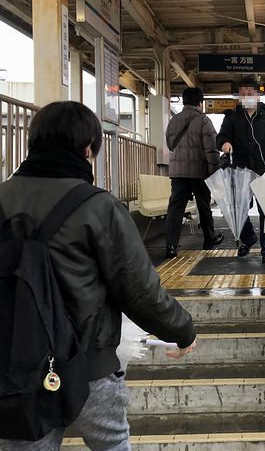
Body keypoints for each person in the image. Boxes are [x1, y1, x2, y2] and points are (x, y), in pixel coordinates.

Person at [0, 101, 197, 450]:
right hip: (89, 365)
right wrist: (182, 330)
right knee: (112, 444)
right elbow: (138, 288)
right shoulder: (97, 206)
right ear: (88, 148)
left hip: (15, 371)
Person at [217, 78, 265, 263]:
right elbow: (221, 136)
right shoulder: (232, 117)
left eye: (250, 93)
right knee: (238, 208)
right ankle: (248, 238)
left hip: (264, 169)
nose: (246, 97)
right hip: (240, 170)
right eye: (242, 94)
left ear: (258, 95)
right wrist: (224, 143)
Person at [165, 86, 223, 259]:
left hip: (178, 173)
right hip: (199, 171)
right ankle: (209, 239)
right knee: (204, 206)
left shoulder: (174, 121)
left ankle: (171, 246)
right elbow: (211, 149)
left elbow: (170, 144)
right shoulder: (204, 120)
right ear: (200, 103)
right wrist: (214, 172)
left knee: (175, 208)